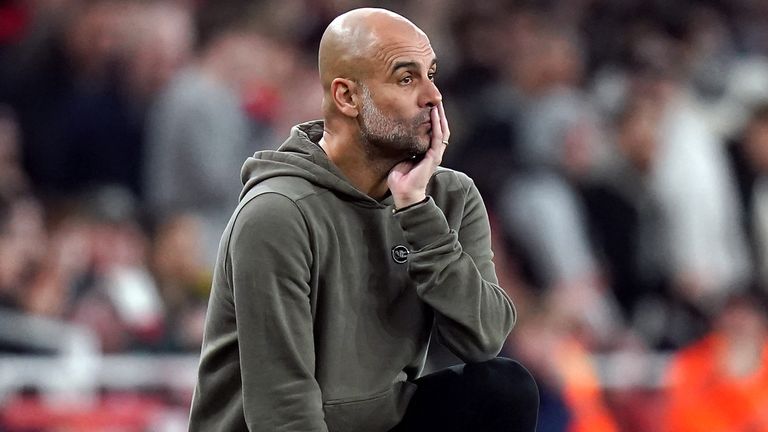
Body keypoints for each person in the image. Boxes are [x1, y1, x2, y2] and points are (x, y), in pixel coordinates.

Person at [188, 8, 539, 432]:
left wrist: (418, 214)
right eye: (406, 78)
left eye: (431, 74)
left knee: (503, 388)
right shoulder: (277, 212)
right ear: (347, 97)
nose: (433, 96)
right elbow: (282, 408)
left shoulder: (448, 196)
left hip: (375, 422)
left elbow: (483, 337)